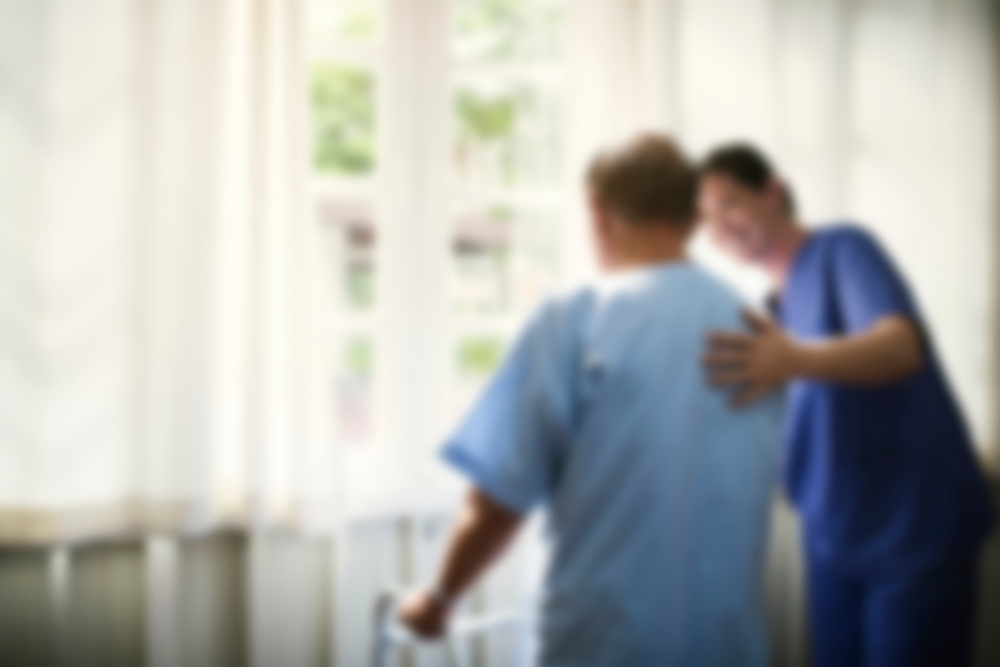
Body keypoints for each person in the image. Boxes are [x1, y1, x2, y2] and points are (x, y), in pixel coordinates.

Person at [399, 135, 783, 666]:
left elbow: (498, 499)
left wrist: (439, 598)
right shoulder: (757, 327)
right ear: (695, 219)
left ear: (597, 213)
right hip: (725, 643)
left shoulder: (575, 318)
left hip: (603, 641)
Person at [699, 143, 996, 667]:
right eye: (705, 217)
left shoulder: (844, 250)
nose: (718, 224)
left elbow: (900, 346)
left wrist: (794, 359)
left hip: (910, 535)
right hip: (833, 535)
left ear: (772, 192)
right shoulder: (772, 312)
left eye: (728, 203)